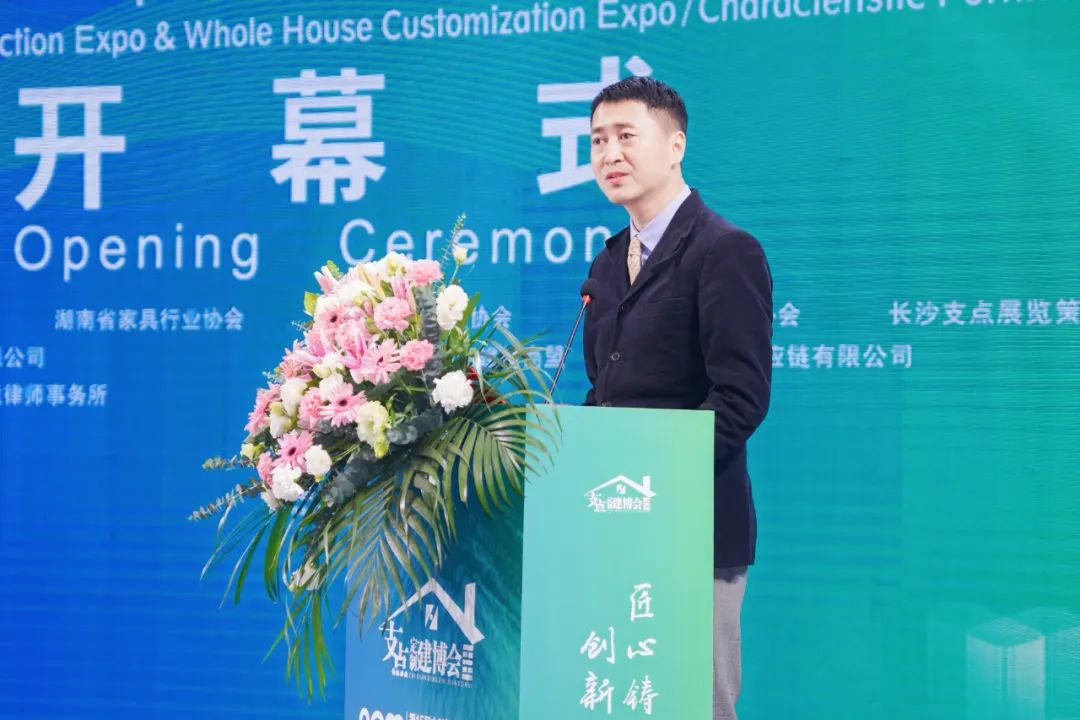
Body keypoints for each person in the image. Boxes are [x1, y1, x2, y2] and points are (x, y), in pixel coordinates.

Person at [581, 76, 773, 720]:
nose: (610, 154)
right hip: (612, 522)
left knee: (694, 702)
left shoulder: (725, 250)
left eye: (626, 136)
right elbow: (605, 394)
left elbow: (741, 397)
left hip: (694, 527)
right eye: (598, 140)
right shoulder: (609, 261)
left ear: (675, 145)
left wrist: (652, 475)